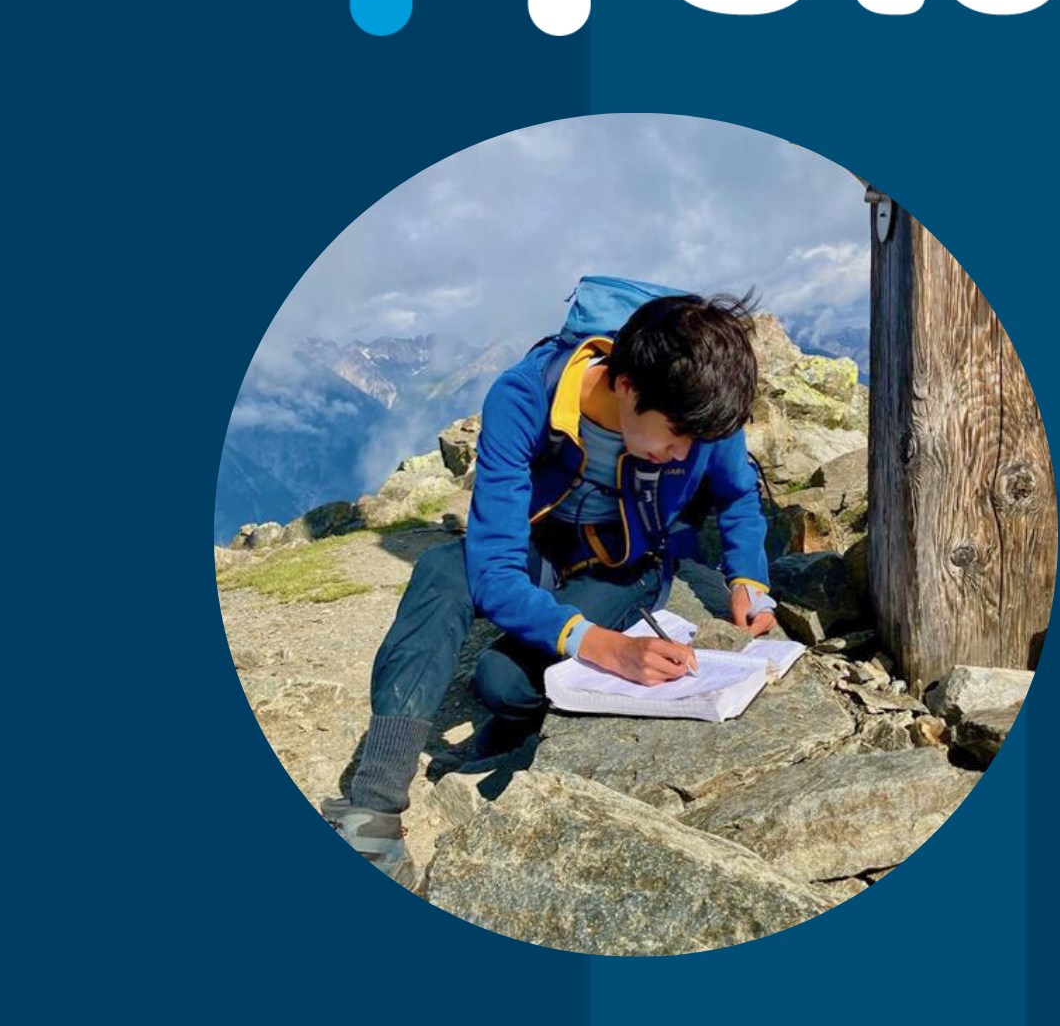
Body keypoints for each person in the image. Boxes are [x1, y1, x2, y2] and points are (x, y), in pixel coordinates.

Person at [322, 291, 777, 890]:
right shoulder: (525, 396)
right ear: (627, 386)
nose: (684, 455)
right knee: (441, 570)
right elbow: (494, 572)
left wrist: (750, 580)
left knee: (503, 681)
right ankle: (373, 811)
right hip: (540, 545)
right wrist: (606, 648)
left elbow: (738, 493)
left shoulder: (697, 410)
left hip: (627, 565)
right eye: (674, 437)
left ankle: (515, 737)